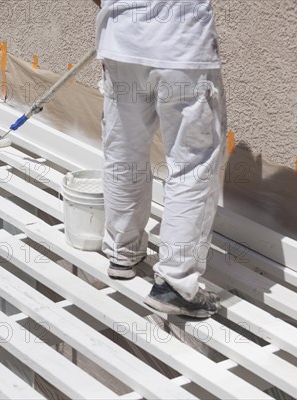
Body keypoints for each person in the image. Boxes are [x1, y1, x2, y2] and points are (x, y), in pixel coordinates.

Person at [93, 0, 226, 317]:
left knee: (124, 152)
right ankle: (175, 284)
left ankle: (122, 252)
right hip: (181, 45)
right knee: (192, 163)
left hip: (122, 39)